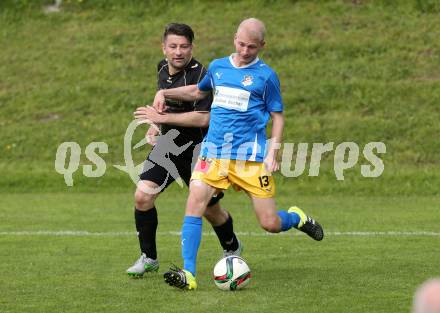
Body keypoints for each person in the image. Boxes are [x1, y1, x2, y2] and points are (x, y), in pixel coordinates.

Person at [140, 17, 324, 290]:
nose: (244, 50)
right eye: (241, 43)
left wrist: (273, 151)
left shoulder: (266, 76)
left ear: (262, 45)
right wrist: (164, 92)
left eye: (251, 46)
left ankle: (295, 217)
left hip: (250, 159)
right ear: (234, 38)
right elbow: (196, 91)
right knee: (194, 204)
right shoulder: (218, 67)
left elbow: (278, 116)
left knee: (270, 223)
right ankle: (188, 274)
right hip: (214, 154)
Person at [127, 23, 241, 277]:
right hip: (169, 147)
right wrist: (155, 126)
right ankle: (149, 258)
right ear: (164, 47)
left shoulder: (203, 76)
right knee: (142, 197)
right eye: (173, 46)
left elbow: (203, 119)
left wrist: (162, 119)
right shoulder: (162, 69)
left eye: (184, 46)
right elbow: (165, 109)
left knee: (211, 210)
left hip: (200, 150)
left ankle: (231, 246)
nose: (178, 52)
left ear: (192, 47)